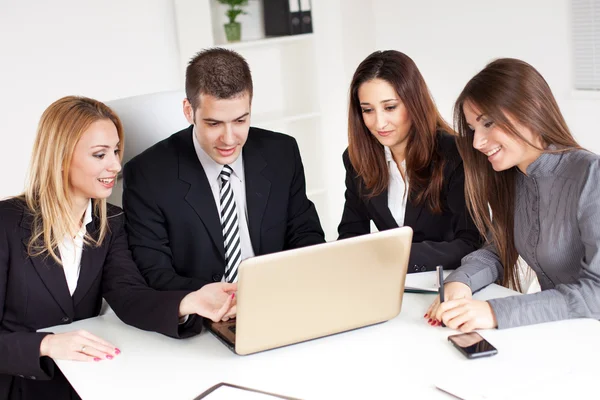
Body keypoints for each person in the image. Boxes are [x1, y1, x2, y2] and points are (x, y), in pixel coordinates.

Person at [0, 96, 236, 400]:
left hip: (86, 382)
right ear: (59, 157)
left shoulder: (110, 222)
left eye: (115, 151)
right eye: (100, 155)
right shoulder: (5, 223)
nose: (115, 165)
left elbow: (128, 295)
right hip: (18, 387)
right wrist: (45, 344)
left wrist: (190, 302)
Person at [122, 47, 325, 293]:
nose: (229, 139)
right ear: (189, 111)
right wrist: (224, 299)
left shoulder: (282, 152)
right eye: (214, 123)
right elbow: (154, 272)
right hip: (204, 312)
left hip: (280, 296)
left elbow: (305, 235)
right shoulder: (147, 175)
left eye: (240, 121)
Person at [426, 58, 600, 330]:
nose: (477, 142)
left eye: (488, 123)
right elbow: (497, 249)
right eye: (473, 129)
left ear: (531, 110)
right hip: (560, 336)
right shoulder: (515, 178)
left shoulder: (591, 174)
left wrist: (495, 313)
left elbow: (597, 294)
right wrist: (460, 282)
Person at [338, 50, 482, 272]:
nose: (379, 123)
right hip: (391, 286)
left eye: (390, 107)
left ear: (414, 103)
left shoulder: (456, 154)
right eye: (368, 110)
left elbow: (471, 243)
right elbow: (351, 235)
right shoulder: (357, 158)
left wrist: (394, 255)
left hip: (452, 284)